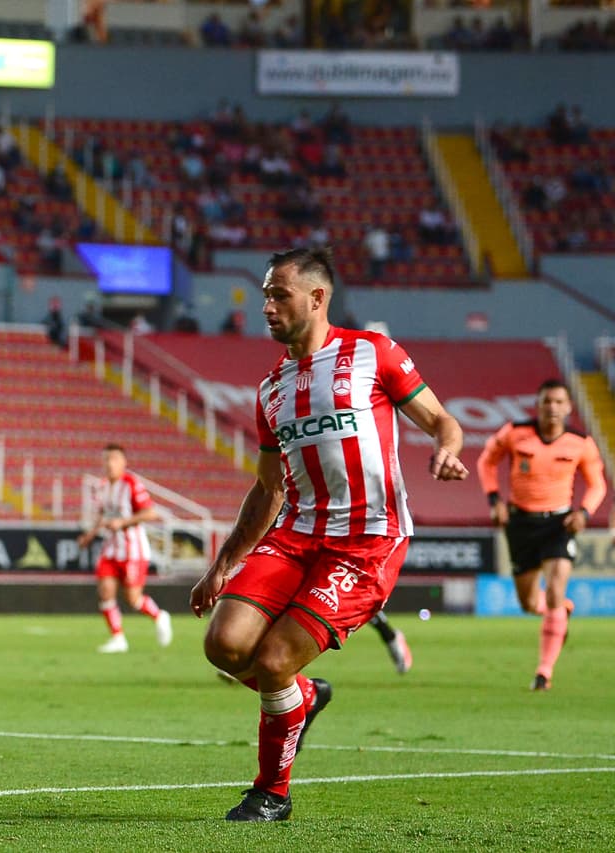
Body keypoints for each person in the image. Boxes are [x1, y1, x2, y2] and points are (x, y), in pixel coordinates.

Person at [189, 248, 468, 822]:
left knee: (274, 660)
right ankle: (303, 697)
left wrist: (447, 447)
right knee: (224, 646)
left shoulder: (373, 352)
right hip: (295, 534)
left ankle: (272, 794)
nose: (267, 307)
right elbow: (267, 488)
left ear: (317, 298)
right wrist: (222, 563)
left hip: (366, 541)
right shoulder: (271, 389)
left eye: (279, 295)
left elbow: (442, 419)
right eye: (265, 295)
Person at [475, 379, 606, 691]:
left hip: (559, 524)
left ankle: (544, 672)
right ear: (538, 404)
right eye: (547, 401)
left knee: (556, 590)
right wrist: (494, 500)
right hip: (521, 522)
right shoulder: (515, 432)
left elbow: (597, 484)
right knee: (529, 603)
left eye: (559, 402)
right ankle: (560, 612)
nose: (552, 407)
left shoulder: (580, 442)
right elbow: (486, 462)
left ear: (569, 407)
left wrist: (583, 512)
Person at [77, 444, 172, 654]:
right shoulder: (101, 487)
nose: (109, 464)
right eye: (106, 459)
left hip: (133, 551)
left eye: (114, 459)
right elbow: (101, 516)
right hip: (111, 549)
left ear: (123, 462)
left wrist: (122, 522)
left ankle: (159, 616)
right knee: (105, 592)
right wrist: (88, 537)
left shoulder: (131, 484)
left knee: (133, 599)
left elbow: (150, 513)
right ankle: (118, 638)